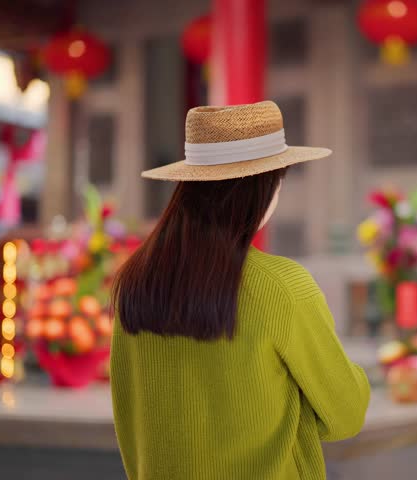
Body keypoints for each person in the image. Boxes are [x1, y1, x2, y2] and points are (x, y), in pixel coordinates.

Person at [110, 101, 370, 480]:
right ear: (265, 188)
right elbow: (346, 414)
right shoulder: (282, 285)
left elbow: (129, 418)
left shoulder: (135, 281)